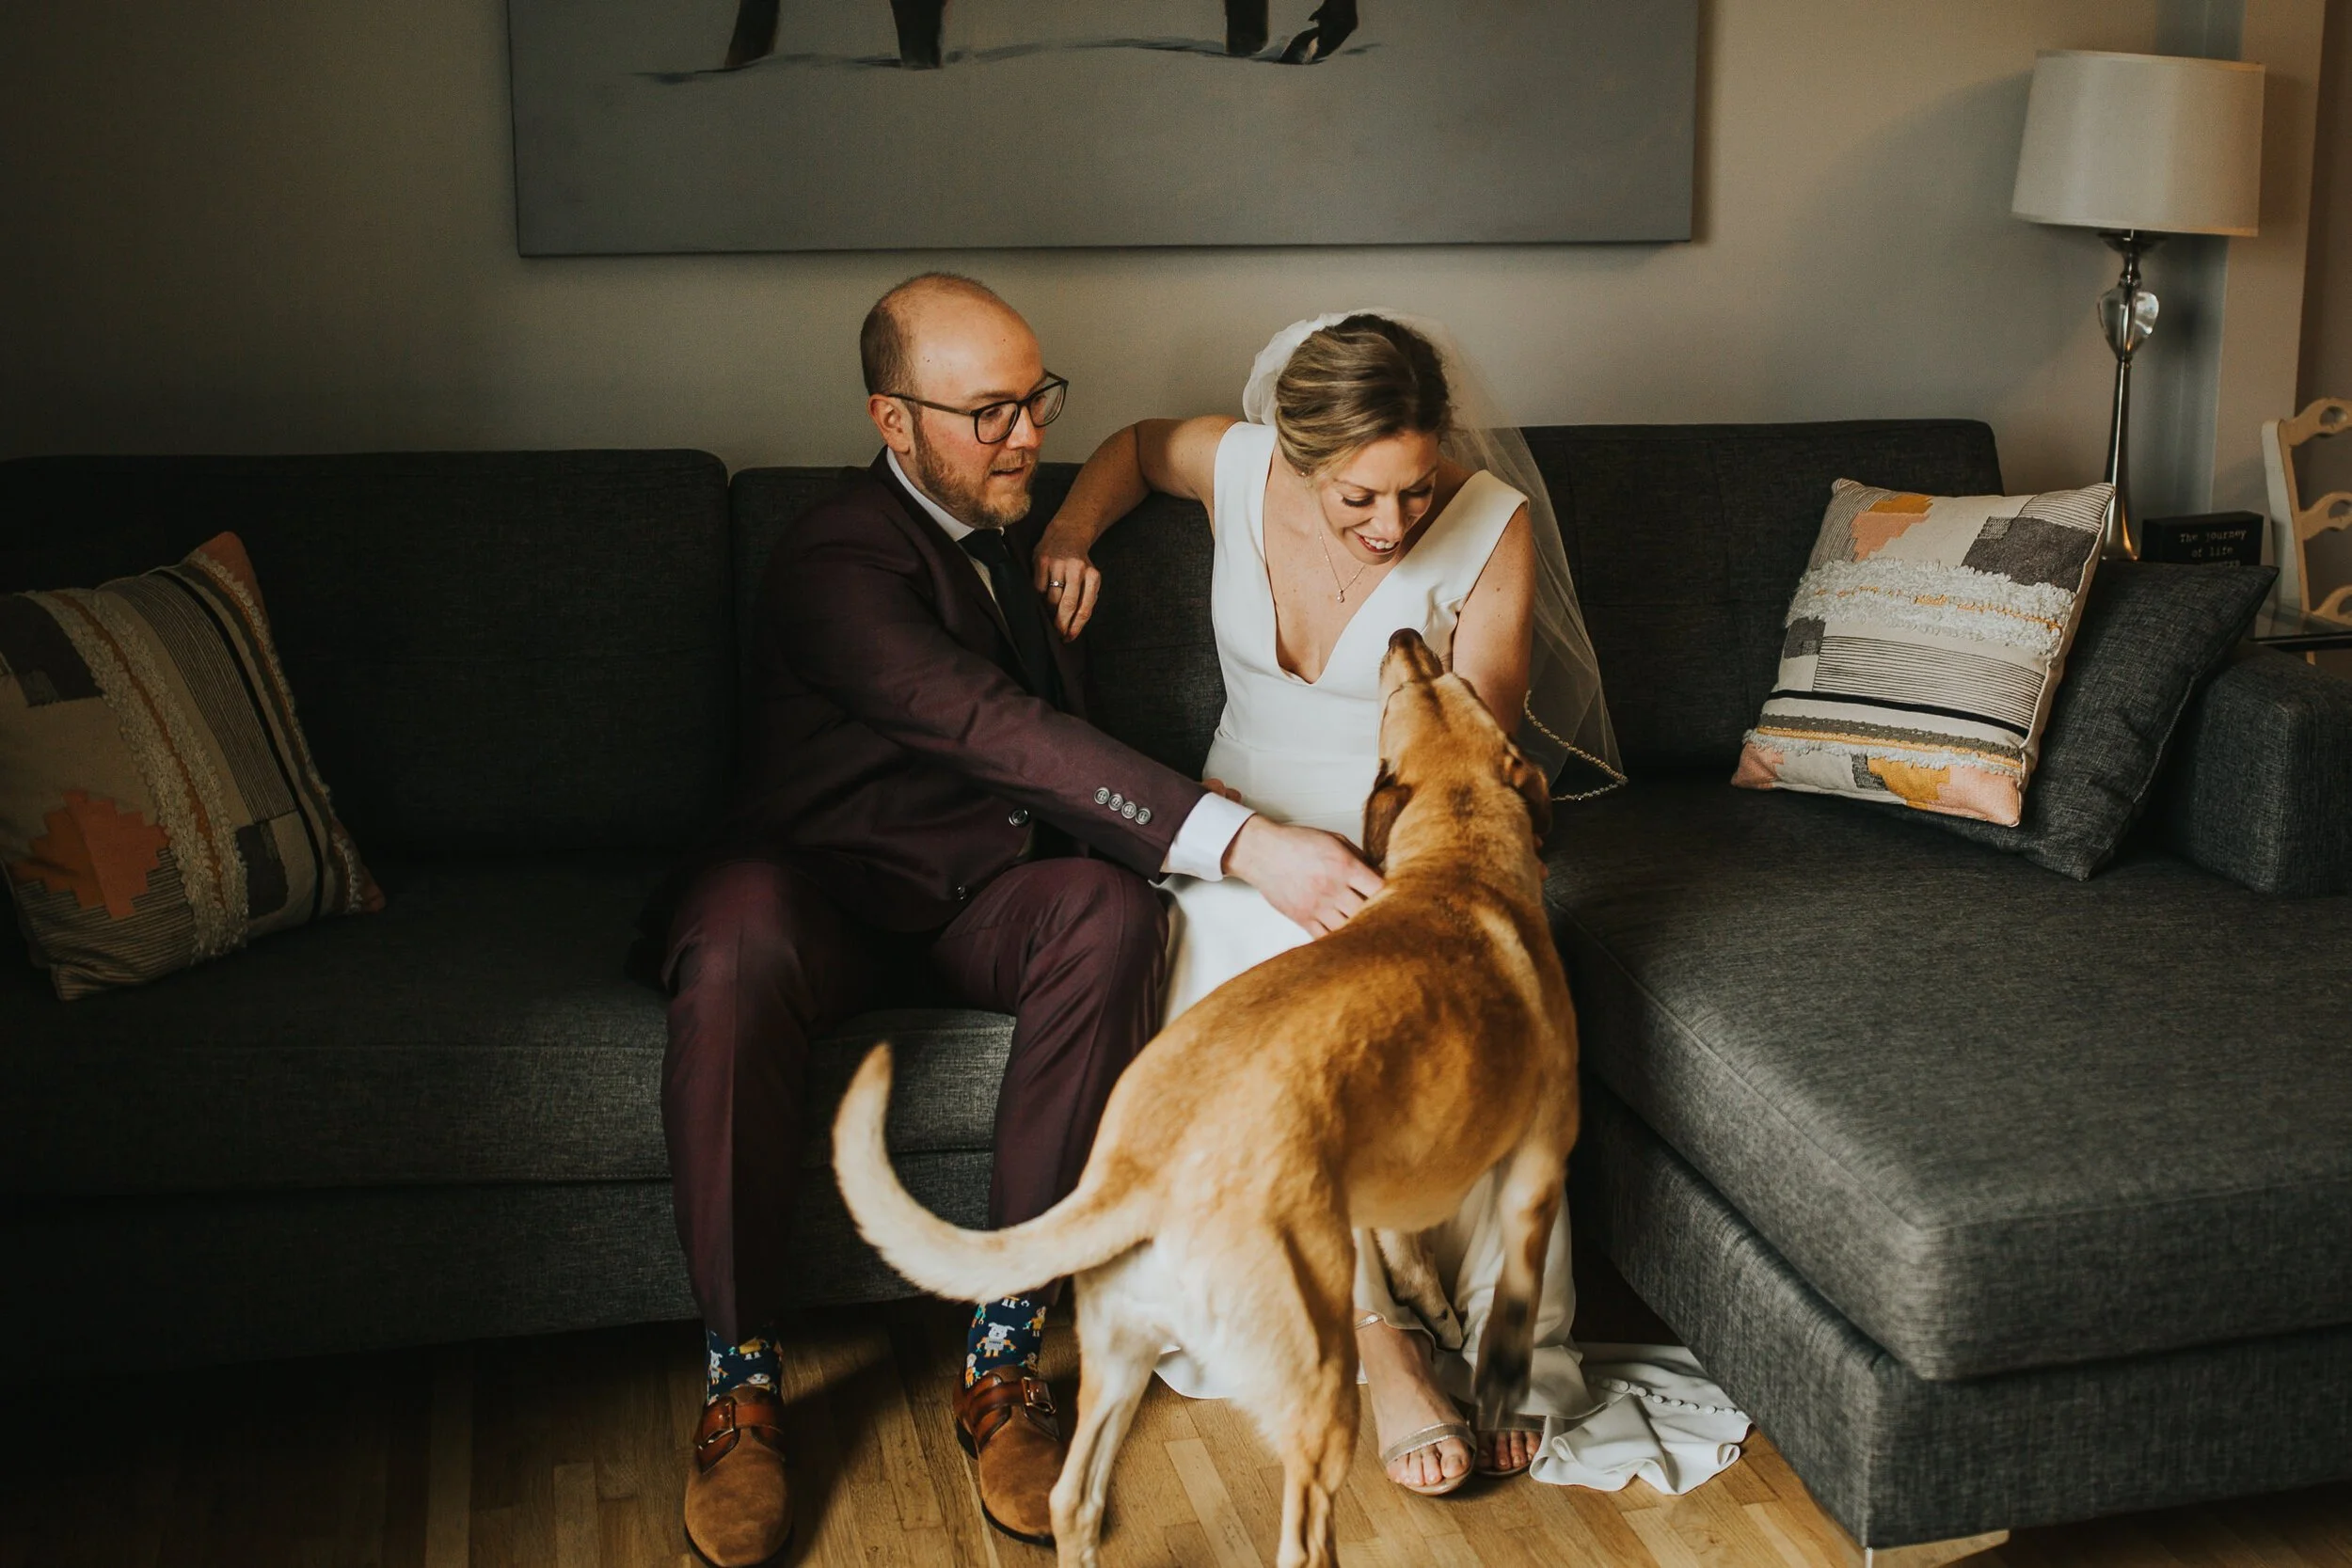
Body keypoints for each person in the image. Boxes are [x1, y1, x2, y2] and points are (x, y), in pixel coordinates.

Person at [640, 275, 1381, 1564]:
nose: (1028, 434)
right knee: (738, 933)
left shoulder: (1023, 532)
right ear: (894, 417)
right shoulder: (834, 553)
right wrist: (1252, 844)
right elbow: (982, 725)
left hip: (979, 891)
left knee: (1107, 909)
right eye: (988, 413)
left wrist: (1176, 793)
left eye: (1035, 398)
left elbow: (1060, 741)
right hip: (814, 889)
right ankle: (743, 1380)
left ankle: (1005, 1352)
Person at [1034, 311, 1742, 1501]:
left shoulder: (1491, 531)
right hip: (1235, 838)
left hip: (1407, 850)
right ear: (1290, 455)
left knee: (1451, 1010)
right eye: (1358, 498)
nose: (1393, 524)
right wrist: (1068, 528)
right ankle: (1378, 1341)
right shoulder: (1233, 459)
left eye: (1414, 490)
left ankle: (1508, 1337)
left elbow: (1471, 765)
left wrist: (1401, 863)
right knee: (1259, 972)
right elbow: (1136, 444)